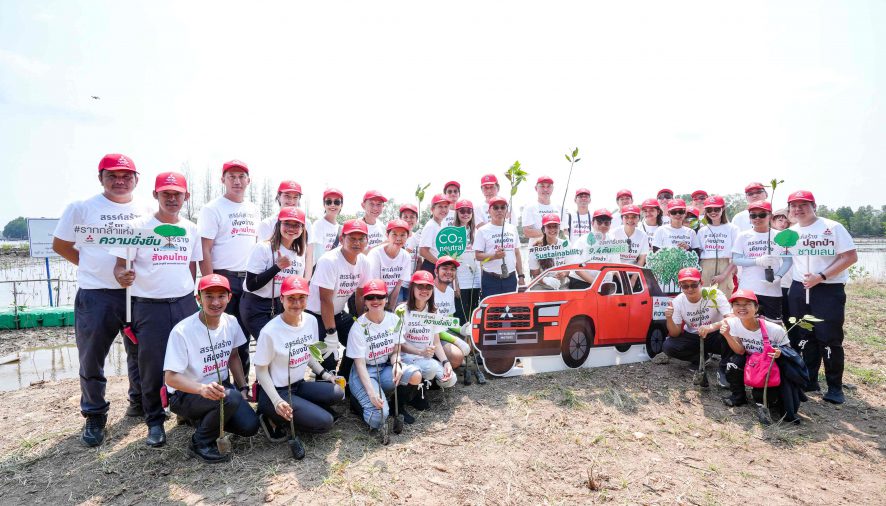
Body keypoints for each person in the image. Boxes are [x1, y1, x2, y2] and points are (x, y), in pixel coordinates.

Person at [52, 153, 154, 446]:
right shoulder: (82, 208)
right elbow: (61, 245)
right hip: (96, 294)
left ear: (136, 179)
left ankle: (139, 401)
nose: (120, 181)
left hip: (138, 294)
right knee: (92, 356)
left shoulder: (147, 209)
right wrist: (90, 267)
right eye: (112, 175)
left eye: (126, 176)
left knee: (140, 353)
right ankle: (95, 413)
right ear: (100, 178)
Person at [111, 171, 201, 447]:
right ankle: (154, 421)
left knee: (189, 360)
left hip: (185, 302)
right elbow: (119, 266)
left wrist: (192, 295)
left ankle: (186, 410)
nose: (172, 199)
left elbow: (192, 265)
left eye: (177, 194)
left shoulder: (191, 229)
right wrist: (120, 275)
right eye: (166, 194)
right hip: (150, 306)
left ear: (186, 197)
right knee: (151, 366)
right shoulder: (137, 228)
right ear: (156, 195)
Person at [163, 274, 259, 463]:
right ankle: (200, 442)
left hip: (220, 388)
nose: (215, 302)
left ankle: (201, 418)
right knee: (229, 398)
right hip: (187, 392)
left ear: (229, 298)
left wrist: (243, 387)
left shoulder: (231, 322)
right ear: (198, 298)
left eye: (221, 296)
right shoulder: (182, 331)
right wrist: (202, 389)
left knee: (250, 426)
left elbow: (233, 356)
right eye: (209, 296)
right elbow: (171, 378)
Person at [254, 275, 345, 448]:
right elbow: (261, 370)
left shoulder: (310, 321)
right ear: (281, 299)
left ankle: (299, 409)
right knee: (325, 422)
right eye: (291, 299)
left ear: (308, 298)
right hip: (277, 392)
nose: (296, 304)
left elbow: (308, 353)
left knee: (337, 392)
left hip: (298, 385)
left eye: (301, 298)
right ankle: (271, 415)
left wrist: (325, 374)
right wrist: (276, 401)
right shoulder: (270, 332)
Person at [785, 190, 857, 404]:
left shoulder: (832, 227)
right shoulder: (791, 231)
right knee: (805, 335)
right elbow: (786, 258)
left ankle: (835, 387)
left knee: (829, 337)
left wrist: (822, 276)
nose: (798, 209)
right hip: (799, 287)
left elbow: (850, 256)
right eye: (794, 205)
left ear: (814, 206)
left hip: (828, 288)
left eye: (803, 204)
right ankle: (810, 379)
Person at [197, 160, 259, 376]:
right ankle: (217, 381)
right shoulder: (212, 209)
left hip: (249, 281)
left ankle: (243, 386)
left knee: (243, 335)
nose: (237, 181)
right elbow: (204, 249)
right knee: (219, 333)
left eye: (241, 177)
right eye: (231, 176)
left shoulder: (252, 209)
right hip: (223, 278)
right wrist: (210, 286)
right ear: (223, 180)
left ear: (248, 181)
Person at [347, 279, 423, 432]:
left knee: (415, 375)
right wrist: (371, 393)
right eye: (370, 297)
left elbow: (395, 350)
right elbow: (359, 364)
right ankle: (356, 403)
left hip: (384, 368)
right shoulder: (358, 327)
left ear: (386, 299)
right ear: (365, 301)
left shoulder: (393, 319)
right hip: (365, 372)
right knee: (380, 418)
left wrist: (396, 364)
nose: (375, 301)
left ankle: (399, 407)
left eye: (380, 296)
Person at [241, 207, 313, 359]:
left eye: (296, 225)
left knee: (284, 350)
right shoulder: (263, 248)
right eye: (287, 224)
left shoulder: (298, 253)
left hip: (280, 306)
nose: (291, 229)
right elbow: (251, 285)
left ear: (302, 229)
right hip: (256, 306)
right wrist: (276, 267)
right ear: (279, 225)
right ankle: (262, 382)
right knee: (273, 349)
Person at [306, 219, 371, 381]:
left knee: (359, 341)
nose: (357, 243)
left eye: (361, 238)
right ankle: (325, 386)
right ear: (341, 239)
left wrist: (362, 322)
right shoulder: (330, 261)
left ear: (367, 241)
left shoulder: (363, 261)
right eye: (352, 238)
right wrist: (331, 333)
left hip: (337, 312)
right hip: (315, 314)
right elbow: (325, 299)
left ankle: (344, 380)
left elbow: (360, 294)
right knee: (328, 354)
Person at [719, 290, 794, 419]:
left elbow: (790, 353)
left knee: (761, 399)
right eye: (737, 304)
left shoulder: (775, 330)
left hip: (769, 367)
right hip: (751, 362)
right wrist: (727, 335)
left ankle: (769, 397)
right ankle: (738, 396)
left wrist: (779, 353)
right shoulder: (733, 324)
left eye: (747, 304)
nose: (742, 308)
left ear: (756, 308)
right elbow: (740, 351)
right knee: (733, 364)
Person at [397, 270, 458, 418]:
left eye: (428, 287)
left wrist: (445, 362)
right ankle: (405, 397)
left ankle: (421, 389)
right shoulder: (402, 310)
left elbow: (436, 341)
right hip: (408, 356)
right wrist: (420, 352)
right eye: (420, 286)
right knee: (429, 369)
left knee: (451, 380)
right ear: (412, 288)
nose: (424, 290)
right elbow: (398, 344)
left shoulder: (433, 310)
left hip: (426, 357)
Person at [662, 268, 734, 388]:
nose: (690, 289)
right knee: (668, 346)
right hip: (695, 336)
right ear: (680, 286)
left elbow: (731, 318)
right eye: (685, 286)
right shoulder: (678, 302)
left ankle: (723, 369)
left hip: (715, 334)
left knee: (729, 330)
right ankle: (700, 358)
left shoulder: (714, 293)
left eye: (694, 285)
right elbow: (675, 333)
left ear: (701, 283)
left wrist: (711, 327)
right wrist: (669, 318)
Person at [731, 201, 792, 320]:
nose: (757, 218)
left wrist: (779, 276)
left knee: (772, 326)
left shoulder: (781, 236)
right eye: (753, 215)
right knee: (745, 325)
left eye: (762, 215)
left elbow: (788, 261)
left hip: (772, 291)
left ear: (770, 216)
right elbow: (736, 260)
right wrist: (757, 261)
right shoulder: (743, 236)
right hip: (748, 289)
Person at [475, 196, 525, 297]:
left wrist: (521, 275)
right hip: (491, 279)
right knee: (492, 312)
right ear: (489, 211)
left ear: (506, 211)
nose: (499, 210)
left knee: (510, 311)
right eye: (496, 207)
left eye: (503, 207)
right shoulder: (482, 230)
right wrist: (494, 256)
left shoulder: (512, 229)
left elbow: (517, 253)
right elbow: (478, 256)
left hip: (510, 278)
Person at [366, 219, 412, 310]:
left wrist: (391, 308)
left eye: (403, 235)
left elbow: (398, 285)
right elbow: (374, 284)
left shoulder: (406, 256)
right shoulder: (375, 254)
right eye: (394, 234)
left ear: (408, 237)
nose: (398, 238)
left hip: (388, 296)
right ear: (387, 235)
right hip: (371, 297)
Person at [696, 195, 737, 293]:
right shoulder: (702, 230)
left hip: (725, 266)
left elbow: (736, 256)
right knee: (704, 301)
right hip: (705, 266)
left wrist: (724, 275)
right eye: (709, 209)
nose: (713, 212)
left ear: (723, 209)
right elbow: (698, 252)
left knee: (724, 301)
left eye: (716, 209)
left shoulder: (733, 229)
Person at [452, 199, 481, 324]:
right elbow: (451, 261)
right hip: (461, 282)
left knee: (474, 316)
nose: (465, 214)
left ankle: (471, 343)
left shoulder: (478, 232)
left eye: (468, 211)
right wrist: (455, 284)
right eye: (462, 211)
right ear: (457, 213)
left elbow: (482, 259)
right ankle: (461, 343)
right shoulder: (452, 233)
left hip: (476, 280)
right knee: (461, 318)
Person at [771, 208, 795, 328]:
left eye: (786, 222)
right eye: (780, 220)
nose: (783, 223)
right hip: (771, 283)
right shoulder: (766, 237)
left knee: (789, 315)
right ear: (772, 220)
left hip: (787, 282)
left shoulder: (792, 237)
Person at [418, 194, 452, 272]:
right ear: (432, 209)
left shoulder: (442, 224)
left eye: (446, 207)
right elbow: (423, 251)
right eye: (440, 207)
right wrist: (439, 264)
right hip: (431, 266)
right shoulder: (431, 226)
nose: (443, 210)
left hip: (438, 265)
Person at [529, 213, 569, 279]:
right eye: (549, 226)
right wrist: (545, 281)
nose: (552, 229)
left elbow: (569, 268)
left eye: (555, 226)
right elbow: (535, 274)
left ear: (559, 228)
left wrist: (564, 273)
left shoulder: (566, 244)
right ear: (543, 229)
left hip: (562, 284)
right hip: (541, 285)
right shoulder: (535, 247)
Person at [311, 188, 343, 259]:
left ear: (341, 205)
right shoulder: (318, 225)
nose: (332, 205)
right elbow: (318, 254)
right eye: (328, 202)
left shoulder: (341, 229)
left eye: (336, 202)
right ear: (324, 204)